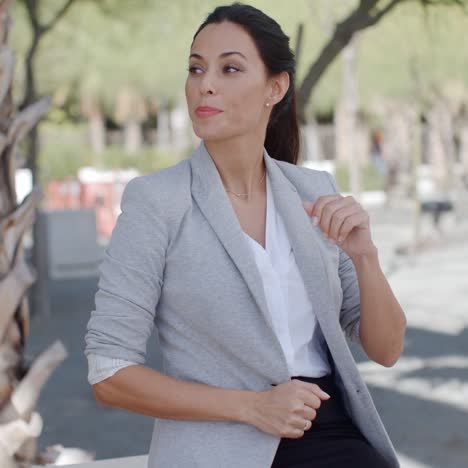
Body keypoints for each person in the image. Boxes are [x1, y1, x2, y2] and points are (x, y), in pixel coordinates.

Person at [84, 3, 406, 467]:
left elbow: (387, 348)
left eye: (229, 68)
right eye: (196, 68)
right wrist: (251, 407)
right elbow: (109, 372)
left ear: (275, 88)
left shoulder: (314, 193)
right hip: (221, 444)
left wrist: (365, 256)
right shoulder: (156, 202)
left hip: (333, 434)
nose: (204, 84)